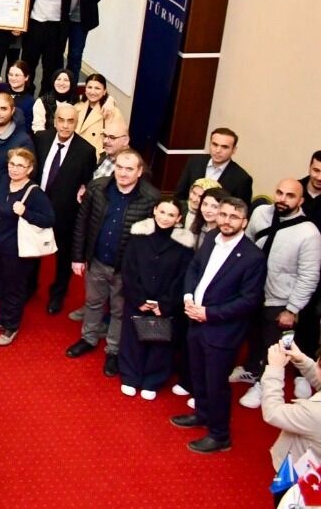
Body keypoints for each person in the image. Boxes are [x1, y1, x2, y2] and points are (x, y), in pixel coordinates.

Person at [174, 197, 265, 453]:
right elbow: (194, 268)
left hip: (222, 331)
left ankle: (220, 435)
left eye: (233, 217)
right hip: (195, 320)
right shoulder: (212, 237)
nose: (226, 221)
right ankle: (202, 414)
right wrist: (188, 297)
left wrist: (209, 313)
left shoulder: (253, 257)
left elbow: (249, 300)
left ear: (244, 222)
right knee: (198, 374)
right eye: (223, 214)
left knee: (216, 384)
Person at [68, 150, 161, 375]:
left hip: (126, 269)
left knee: (119, 311)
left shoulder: (151, 198)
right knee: (93, 302)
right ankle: (88, 338)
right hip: (97, 260)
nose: (123, 173)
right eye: (119, 167)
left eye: (129, 169)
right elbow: (82, 223)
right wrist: (78, 257)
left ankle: (113, 350)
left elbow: (153, 240)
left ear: (139, 171)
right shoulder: (97, 188)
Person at [235, 180, 321, 409]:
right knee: (252, 336)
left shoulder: (309, 233)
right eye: (280, 193)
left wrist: (292, 309)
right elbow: (245, 244)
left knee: (274, 346)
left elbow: (309, 276)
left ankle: (263, 385)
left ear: (301, 200)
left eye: (290, 195)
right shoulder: (260, 213)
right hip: (252, 291)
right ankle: (251, 370)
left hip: (280, 299)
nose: (283, 199)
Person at [117, 198, 196, 398]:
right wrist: (139, 299)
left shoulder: (184, 245)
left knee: (160, 342)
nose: (165, 218)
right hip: (138, 299)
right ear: (154, 211)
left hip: (166, 303)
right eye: (162, 212)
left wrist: (165, 304)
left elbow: (182, 278)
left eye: (171, 214)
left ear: (179, 218)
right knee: (132, 339)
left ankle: (152, 380)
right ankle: (130, 376)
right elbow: (128, 269)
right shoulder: (138, 236)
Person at [0, 147, 55, 346]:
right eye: (12, 164)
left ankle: (11, 326)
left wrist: (26, 213)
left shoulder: (34, 192)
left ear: (29, 169)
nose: (14, 169)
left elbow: (49, 219)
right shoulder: (4, 181)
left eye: (20, 166)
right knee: (0, 285)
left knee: (14, 288)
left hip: (18, 250)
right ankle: (1, 319)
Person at [33, 102, 98, 315]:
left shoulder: (86, 151)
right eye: (61, 120)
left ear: (76, 123)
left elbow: (87, 183)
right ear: (54, 121)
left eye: (71, 121)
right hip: (37, 208)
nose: (65, 125)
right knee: (32, 251)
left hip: (65, 214)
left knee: (63, 259)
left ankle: (57, 294)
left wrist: (84, 187)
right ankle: (29, 286)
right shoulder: (41, 139)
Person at [262, 339, 321, 486]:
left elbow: (272, 412)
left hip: (300, 475)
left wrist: (275, 369)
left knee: (287, 497)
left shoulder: (314, 412)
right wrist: (301, 359)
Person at [22, 0, 72, 92]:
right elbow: (24, 0)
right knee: (28, 66)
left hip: (55, 30)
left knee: (51, 69)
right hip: (34, 27)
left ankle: (46, 100)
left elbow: (72, 4)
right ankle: (26, 97)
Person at [173, 127, 254, 205]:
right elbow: (179, 195)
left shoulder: (242, 179)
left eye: (224, 147)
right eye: (215, 144)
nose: (218, 150)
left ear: (234, 150)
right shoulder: (195, 161)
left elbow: (240, 209)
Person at [31, 68, 81, 134]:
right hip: (46, 138)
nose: (61, 83)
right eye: (58, 79)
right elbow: (38, 128)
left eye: (66, 80)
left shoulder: (77, 103)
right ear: (53, 81)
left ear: (71, 83)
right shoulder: (42, 102)